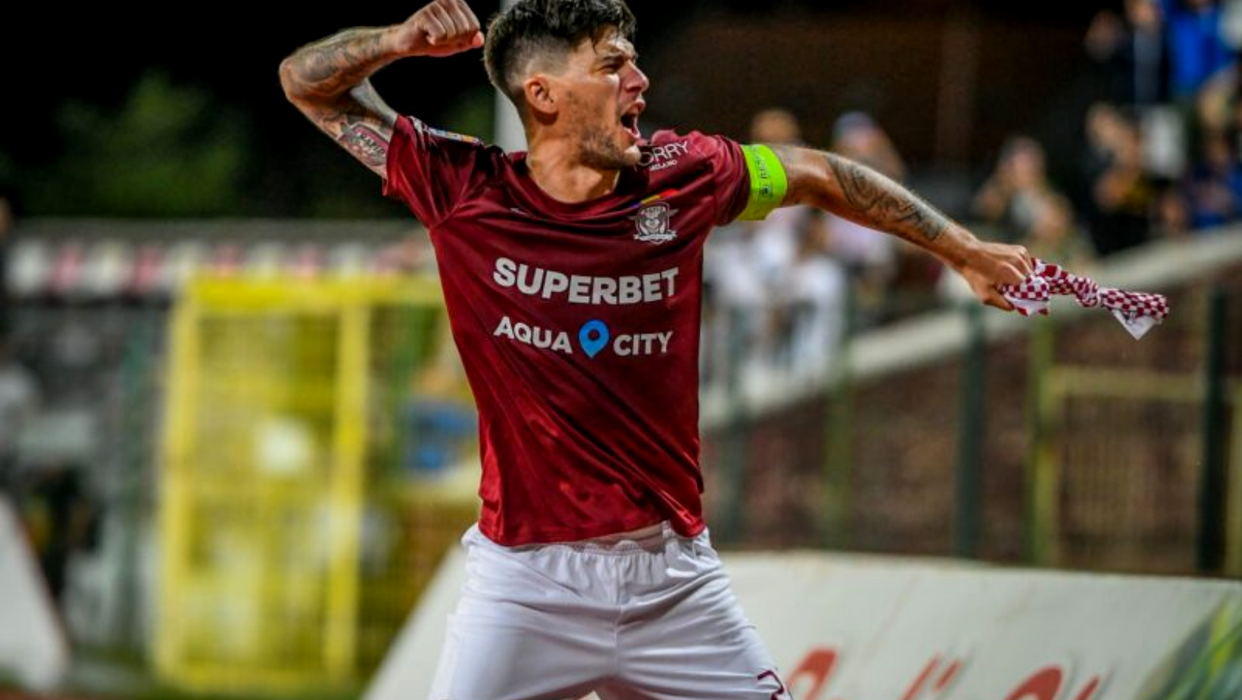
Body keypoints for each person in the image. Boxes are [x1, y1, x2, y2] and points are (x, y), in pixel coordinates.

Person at [279, 1, 1032, 697]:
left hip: (675, 584)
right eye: (612, 66)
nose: (640, 81)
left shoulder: (685, 175)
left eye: (634, 62)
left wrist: (964, 251)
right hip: (525, 589)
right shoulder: (464, 188)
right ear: (543, 94)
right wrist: (395, 42)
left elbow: (816, 173)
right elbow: (306, 85)